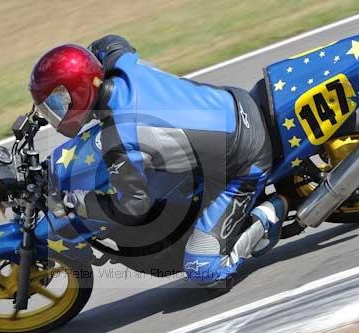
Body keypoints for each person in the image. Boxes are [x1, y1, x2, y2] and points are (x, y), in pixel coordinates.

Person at [29, 35, 288, 288]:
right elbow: (110, 42)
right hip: (234, 102)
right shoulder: (121, 64)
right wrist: (87, 63)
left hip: (245, 162)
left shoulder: (118, 137)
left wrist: (80, 202)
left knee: (203, 271)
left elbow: (133, 206)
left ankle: (268, 215)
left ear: (80, 91)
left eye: (58, 103)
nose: (55, 113)